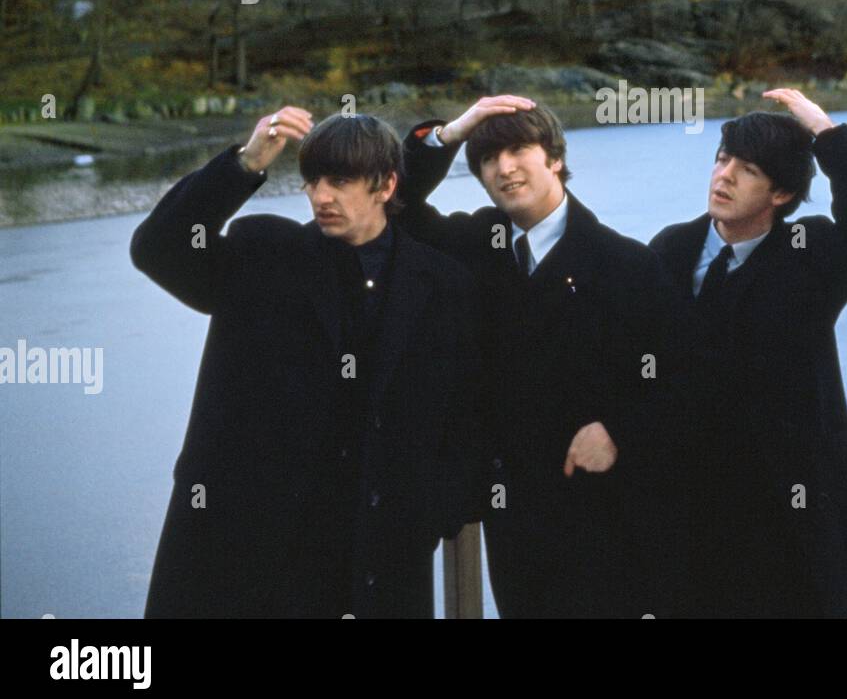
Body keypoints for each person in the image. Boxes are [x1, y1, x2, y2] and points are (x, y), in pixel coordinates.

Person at [131, 108, 483, 618]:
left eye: (339, 181)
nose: (321, 196)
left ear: (385, 185)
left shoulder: (441, 283)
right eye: (312, 181)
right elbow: (157, 249)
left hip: (376, 558)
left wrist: (428, 513)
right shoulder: (262, 255)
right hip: (247, 551)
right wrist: (246, 163)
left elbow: (463, 415)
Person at [395, 96, 702, 618]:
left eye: (519, 150)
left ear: (554, 158)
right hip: (511, 508)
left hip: (601, 506)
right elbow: (394, 207)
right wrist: (453, 133)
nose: (504, 168)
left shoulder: (624, 261)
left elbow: (684, 377)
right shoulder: (476, 242)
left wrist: (619, 430)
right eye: (489, 158)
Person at [649, 88, 847, 618]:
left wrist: (826, 133)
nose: (723, 176)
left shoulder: (809, 253)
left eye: (745, 169)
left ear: (781, 193)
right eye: (722, 160)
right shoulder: (670, 249)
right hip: (701, 500)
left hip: (800, 503)